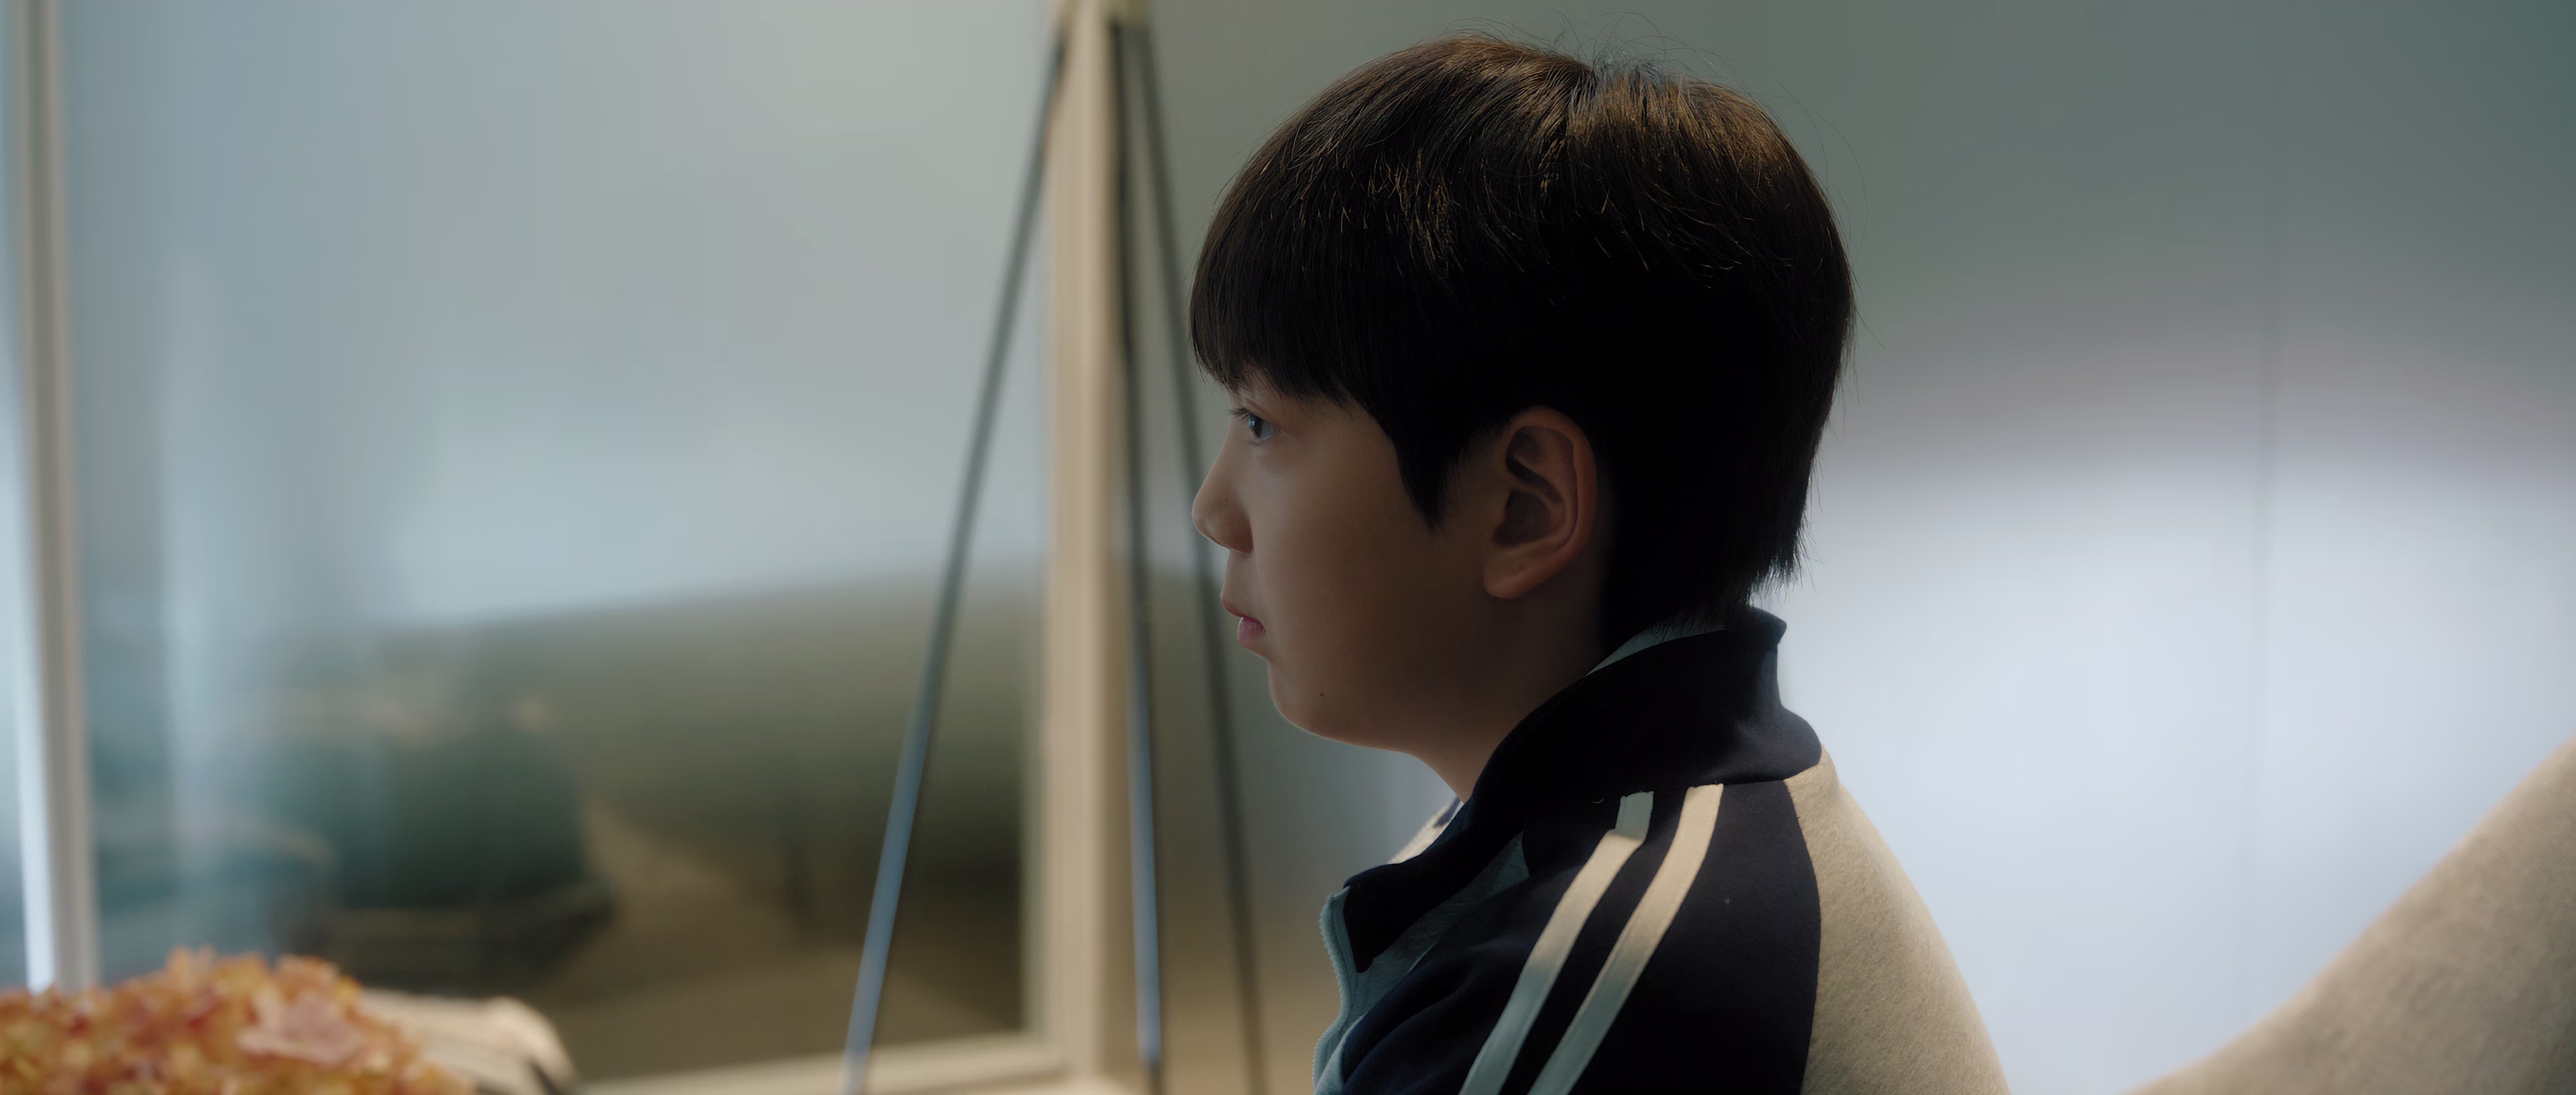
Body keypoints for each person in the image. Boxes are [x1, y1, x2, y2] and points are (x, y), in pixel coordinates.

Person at [1187, 34, 2008, 1095]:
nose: (1214, 511)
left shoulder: (1596, 972)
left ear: (1526, 506)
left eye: (1262, 423)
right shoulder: (1674, 827)